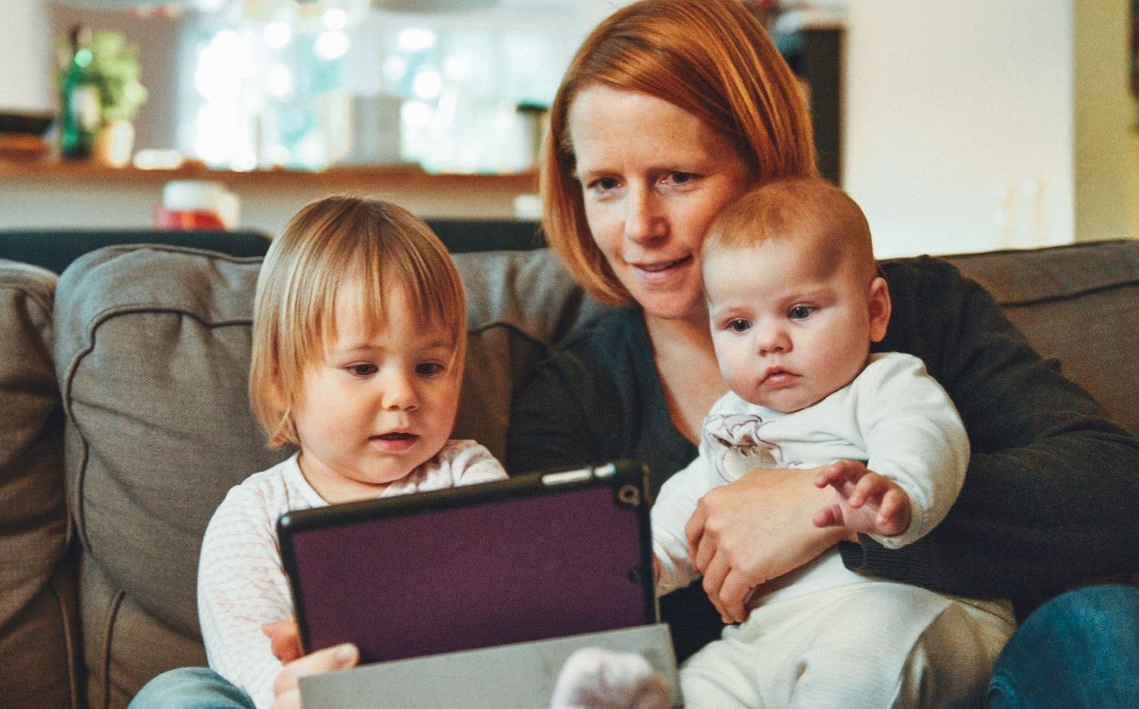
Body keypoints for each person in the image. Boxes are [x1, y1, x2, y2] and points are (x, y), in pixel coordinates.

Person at [501, 0, 1139, 702]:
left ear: (763, 162)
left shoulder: (919, 311)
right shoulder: (571, 398)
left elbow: (1113, 491)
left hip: (962, 670)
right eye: (605, 185)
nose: (640, 226)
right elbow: (561, 622)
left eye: (678, 176)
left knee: (1105, 626)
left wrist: (823, 509)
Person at [641, 177, 1013, 705]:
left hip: (908, 609)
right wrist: (644, 561)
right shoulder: (731, 420)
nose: (770, 341)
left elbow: (925, 436)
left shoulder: (885, 384)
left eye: (800, 312)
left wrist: (895, 492)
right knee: (701, 682)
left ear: (875, 311)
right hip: (771, 633)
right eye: (739, 323)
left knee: (859, 661)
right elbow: (694, 500)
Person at [134, 195, 507, 709]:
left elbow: (500, 620)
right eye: (362, 368)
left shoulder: (467, 477)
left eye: (429, 368)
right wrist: (296, 692)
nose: (403, 396)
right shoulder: (253, 515)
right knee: (179, 692)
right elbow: (248, 661)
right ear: (282, 382)